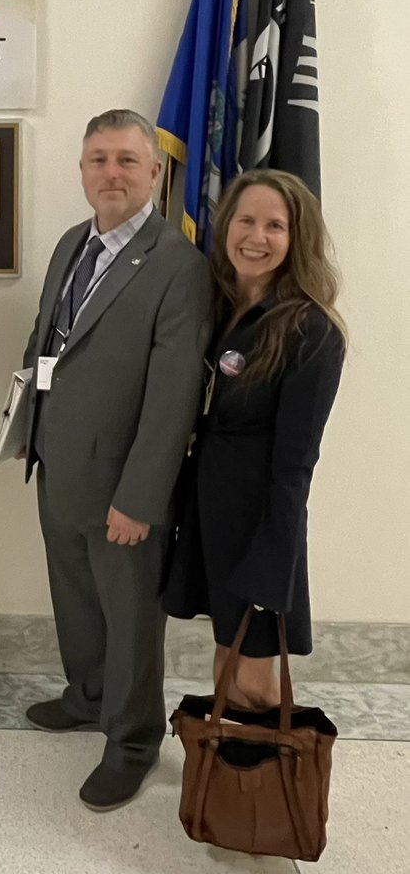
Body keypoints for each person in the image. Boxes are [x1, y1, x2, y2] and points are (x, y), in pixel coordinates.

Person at [18, 109, 211, 811]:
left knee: (130, 619)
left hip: (123, 489)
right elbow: (50, 348)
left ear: (155, 174)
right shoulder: (72, 243)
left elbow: (173, 399)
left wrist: (140, 498)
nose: (111, 173)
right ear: (80, 170)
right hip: (58, 465)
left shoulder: (178, 267)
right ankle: (87, 695)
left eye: (127, 160)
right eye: (97, 159)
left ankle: (130, 741)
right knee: (75, 600)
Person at [164, 170, 345, 707]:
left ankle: (265, 785)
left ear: (297, 239)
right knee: (226, 653)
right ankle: (228, 784)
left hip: (258, 521)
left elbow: (296, 464)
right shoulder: (217, 309)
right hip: (208, 510)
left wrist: (274, 560)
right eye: (245, 220)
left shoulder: (311, 330)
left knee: (254, 676)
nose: (256, 237)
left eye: (275, 226)